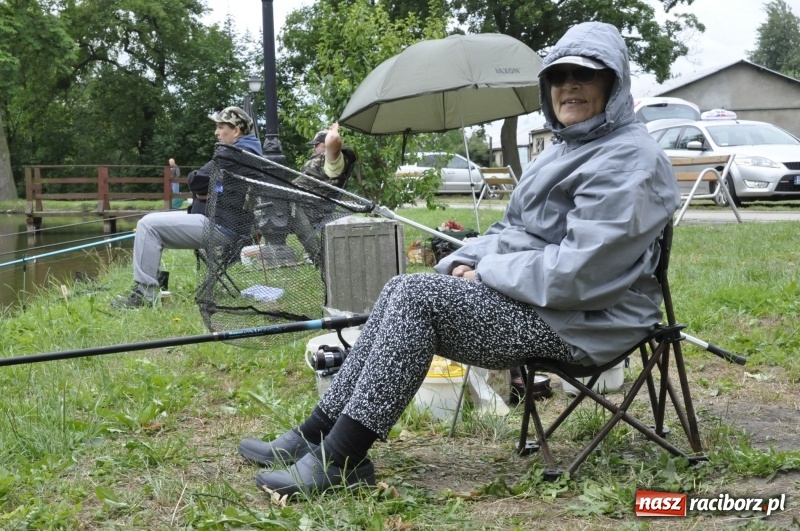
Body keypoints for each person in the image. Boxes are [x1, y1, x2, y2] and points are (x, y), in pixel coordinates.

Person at [238, 21, 680, 497]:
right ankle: (314, 435)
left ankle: (342, 459)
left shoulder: (628, 160)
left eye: (586, 75)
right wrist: (463, 262)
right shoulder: (568, 149)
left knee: (416, 297)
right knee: (401, 287)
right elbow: (512, 231)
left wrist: (487, 273)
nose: (569, 85)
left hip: (589, 319)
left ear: (614, 85)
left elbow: (583, 271)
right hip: (544, 303)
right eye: (559, 76)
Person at [112, 106, 262, 308]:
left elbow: (195, 181)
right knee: (155, 221)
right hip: (226, 222)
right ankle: (150, 284)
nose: (216, 133)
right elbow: (204, 185)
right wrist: (212, 189)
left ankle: (144, 296)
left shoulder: (233, 153)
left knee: (148, 225)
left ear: (236, 131)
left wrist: (208, 189)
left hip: (219, 226)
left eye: (220, 127)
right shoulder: (249, 151)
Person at [291, 122, 357, 266]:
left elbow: (297, 184)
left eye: (317, 145)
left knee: (286, 206)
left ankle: (318, 257)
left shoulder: (326, 160)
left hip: (312, 207)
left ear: (326, 145)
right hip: (313, 204)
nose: (313, 148)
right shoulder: (326, 160)